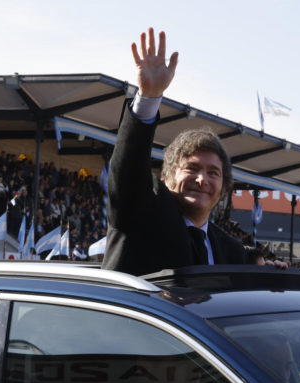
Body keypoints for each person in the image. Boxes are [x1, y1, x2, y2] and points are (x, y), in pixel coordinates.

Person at [101, 28, 249, 276]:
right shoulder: (141, 214)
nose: (202, 179)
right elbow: (127, 172)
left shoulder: (232, 253)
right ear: (167, 178)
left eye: (213, 173)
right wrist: (149, 97)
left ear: (223, 190)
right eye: (191, 168)